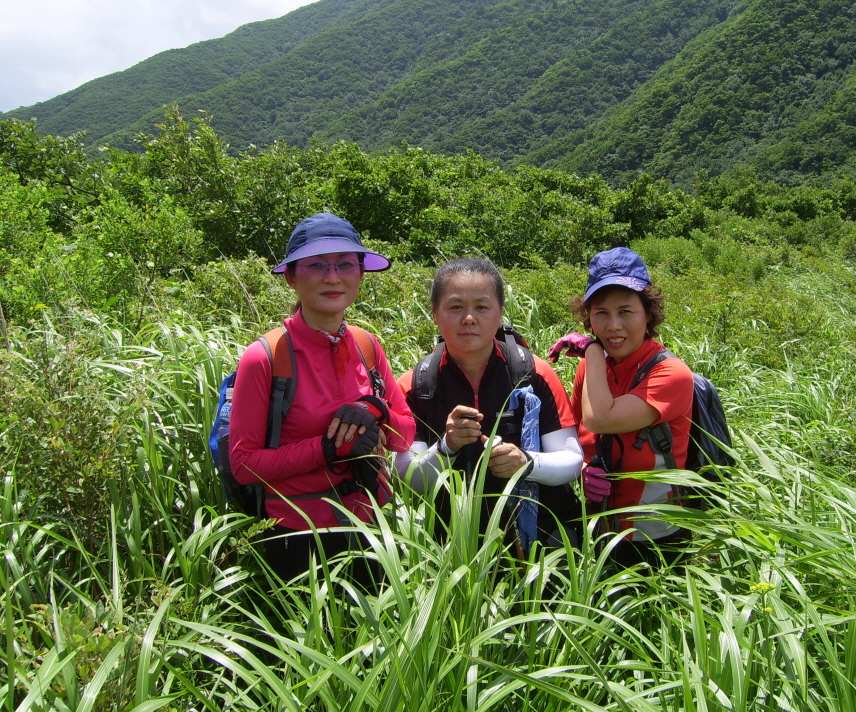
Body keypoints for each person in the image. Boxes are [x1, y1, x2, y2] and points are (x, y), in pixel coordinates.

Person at [228, 212, 415, 582]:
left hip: (369, 526)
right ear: (292, 278)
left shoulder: (366, 344)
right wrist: (329, 448)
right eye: (316, 265)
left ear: (361, 274)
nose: (333, 277)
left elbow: (404, 434)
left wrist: (374, 409)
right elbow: (243, 464)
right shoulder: (266, 357)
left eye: (345, 264)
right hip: (294, 534)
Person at [395, 258, 583, 554]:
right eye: (455, 307)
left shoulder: (535, 373)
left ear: (500, 313)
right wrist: (447, 448)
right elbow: (408, 478)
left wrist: (526, 462)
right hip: (448, 544)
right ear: (434, 313)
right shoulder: (415, 385)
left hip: (537, 538)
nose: (469, 318)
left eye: (482, 307)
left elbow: (572, 461)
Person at [549, 247, 693, 569]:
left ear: (648, 313)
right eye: (601, 313)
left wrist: (593, 352)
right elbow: (581, 433)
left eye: (626, 311)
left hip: (656, 531)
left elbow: (601, 418)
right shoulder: (594, 367)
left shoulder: (670, 373)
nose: (613, 325)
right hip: (601, 523)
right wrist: (585, 469)